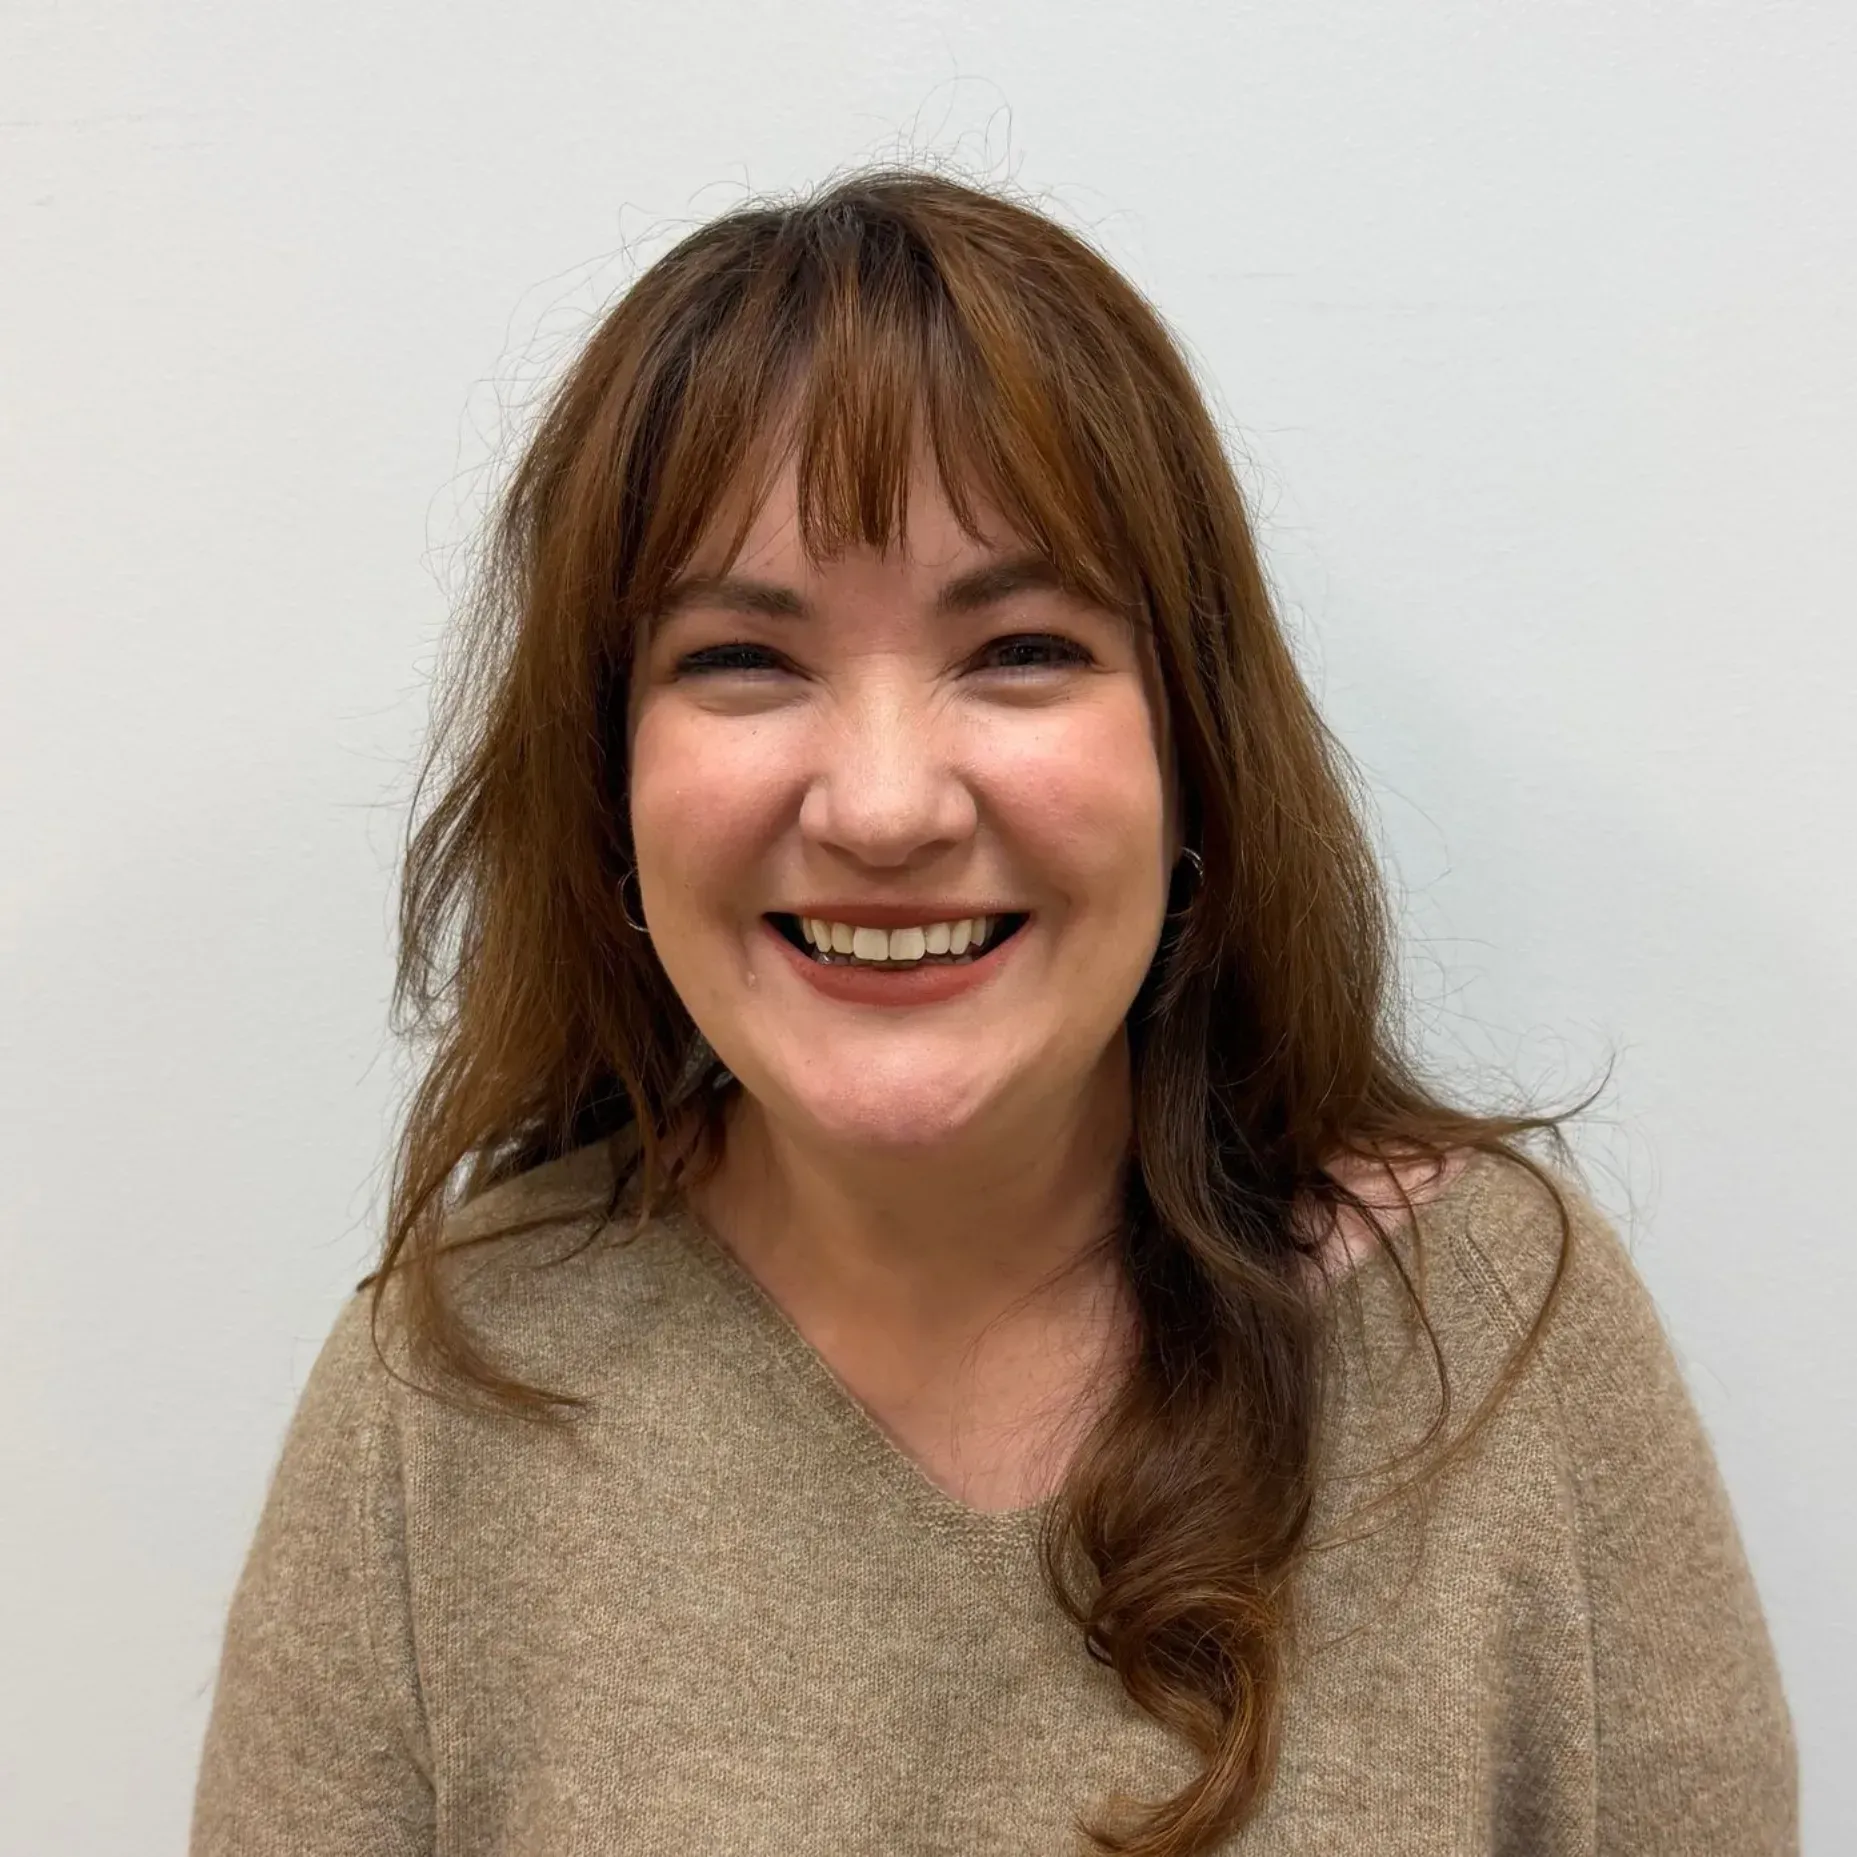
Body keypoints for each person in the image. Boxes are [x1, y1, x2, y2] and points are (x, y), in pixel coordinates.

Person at [188, 166, 1796, 1856]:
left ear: (1193, 762)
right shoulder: (443, 1402)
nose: (885, 808)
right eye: (743, 658)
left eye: (1020, 648)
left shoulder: (1505, 1350)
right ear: (609, 791)